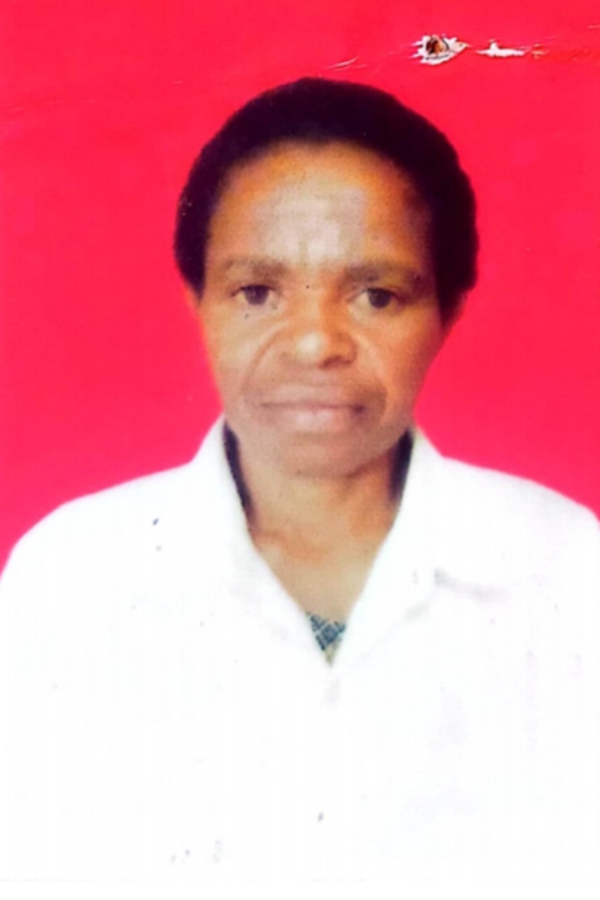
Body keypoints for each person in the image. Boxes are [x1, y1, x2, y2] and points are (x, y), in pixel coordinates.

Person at [0, 78, 598, 883]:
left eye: (377, 295)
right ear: (199, 300)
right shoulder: (74, 572)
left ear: (447, 312)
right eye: (257, 292)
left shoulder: (564, 564)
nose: (315, 344)